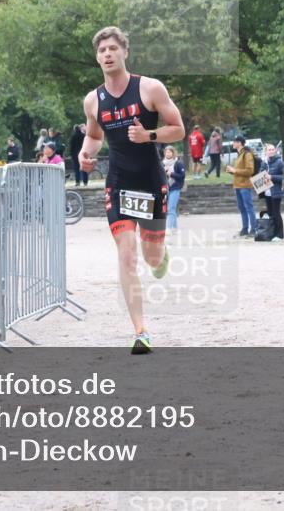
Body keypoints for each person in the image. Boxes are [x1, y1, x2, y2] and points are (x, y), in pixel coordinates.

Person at [78, 26, 185, 354]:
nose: (107, 54)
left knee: (151, 258)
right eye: (101, 51)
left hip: (150, 183)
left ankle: (160, 254)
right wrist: (86, 153)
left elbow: (178, 129)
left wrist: (150, 136)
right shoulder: (93, 100)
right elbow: (95, 136)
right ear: (97, 58)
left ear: (125, 52)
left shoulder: (150, 88)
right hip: (119, 184)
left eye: (112, 48)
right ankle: (141, 331)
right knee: (126, 256)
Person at [226, 136, 256, 237]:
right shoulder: (239, 154)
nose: (233, 143)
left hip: (245, 185)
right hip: (238, 185)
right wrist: (231, 171)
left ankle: (253, 229)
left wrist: (234, 170)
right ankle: (244, 229)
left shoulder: (247, 154)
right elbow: (239, 171)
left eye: (234, 142)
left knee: (249, 207)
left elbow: (249, 171)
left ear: (240, 143)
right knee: (242, 208)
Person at [264, 144, 284, 241]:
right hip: (267, 191)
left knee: (276, 213)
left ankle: (280, 235)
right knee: (270, 213)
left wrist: (272, 177)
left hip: (276, 191)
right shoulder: (265, 162)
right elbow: (260, 174)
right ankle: (272, 233)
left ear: (275, 150)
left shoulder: (279, 162)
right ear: (266, 151)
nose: (271, 151)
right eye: (269, 149)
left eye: (272, 149)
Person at [163, 146, 186, 230]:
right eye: (166, 152)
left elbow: (182, 176)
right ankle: (174, 227)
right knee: (170, 208)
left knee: (171, 208)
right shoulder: (162, 163)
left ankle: (170, 227)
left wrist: (171, 174)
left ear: (173, 153)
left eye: (170, 152)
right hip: (165, 189)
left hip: (175, 188)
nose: (168, 154)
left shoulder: (178, 163)